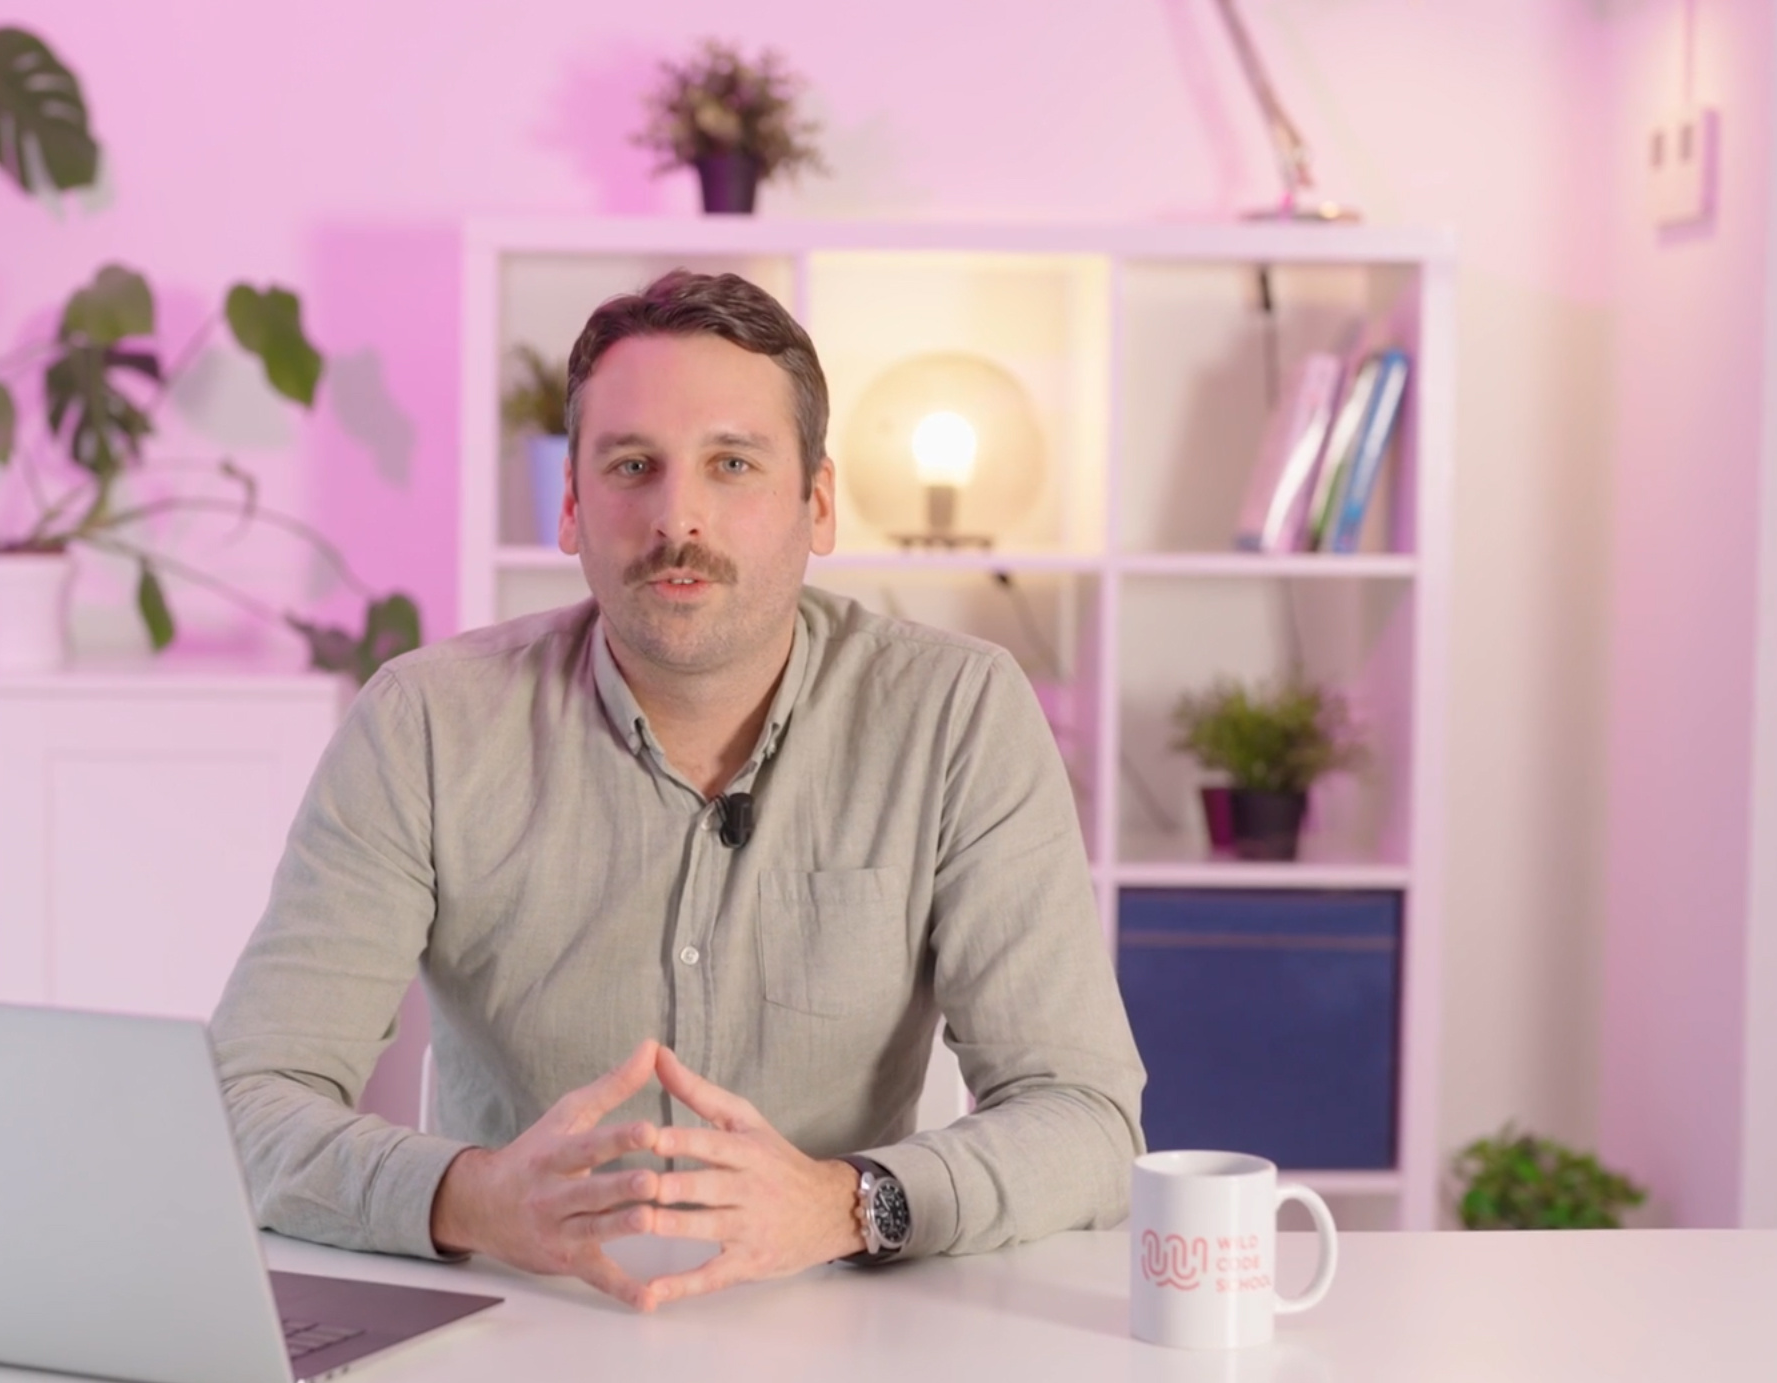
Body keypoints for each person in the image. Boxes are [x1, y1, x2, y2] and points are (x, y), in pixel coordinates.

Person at [211, 269, 1145, 1313]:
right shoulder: (424, 723)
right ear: (571, 506)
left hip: (842, 1320)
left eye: (731, 463)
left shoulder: (957, 712)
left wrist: (846, 1205)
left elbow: (1086, 1118)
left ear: (817, 502)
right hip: (520, 1316)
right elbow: (242, 1103)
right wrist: (472, 1199)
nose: (678, 517)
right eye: (632, 466)